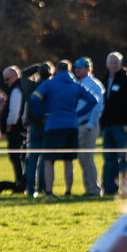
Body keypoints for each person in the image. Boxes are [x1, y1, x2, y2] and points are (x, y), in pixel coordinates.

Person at [33, 60, 98, 197]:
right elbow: (93, 100)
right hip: (71, 126)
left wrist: (41, 114)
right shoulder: (75, 85)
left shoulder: (49, 84)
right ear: (69, 70)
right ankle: (68, 191)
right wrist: (77, 114)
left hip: (53, 125)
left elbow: (34, 98)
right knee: (69, 160)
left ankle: (49, 192)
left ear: (56, 69)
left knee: (49, 160)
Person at [100, 52, 127, 194]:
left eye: (116, 62)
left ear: (120, 64)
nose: (114, 65)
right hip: (108, 126)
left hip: (122, 126)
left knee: (125, 159)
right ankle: (110, 188)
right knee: (109, 159)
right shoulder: (104, 80)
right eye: (111, 62)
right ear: (107, 64)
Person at [72, 57, 107, 195]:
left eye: (80, 68)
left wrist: (91, 124)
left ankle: (94, 189)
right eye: (76, 68)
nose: (77, 70)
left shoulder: (94, 84)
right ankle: (89, 188)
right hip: (80, 124)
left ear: (88, 68)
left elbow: (98, 107)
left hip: (88, 125)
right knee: (82, 158)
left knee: (87, 158)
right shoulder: (77, 83)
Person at [0, 64, 32, 195]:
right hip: (20, 129)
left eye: (8, 79)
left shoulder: (17, 89)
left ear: (15, 76)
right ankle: (21, 183)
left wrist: (9, 124)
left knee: (16, 157)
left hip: (16, 129)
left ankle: (20, 183)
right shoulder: (20, 87)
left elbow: (14, 111)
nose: (6, 83)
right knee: (20, 157)